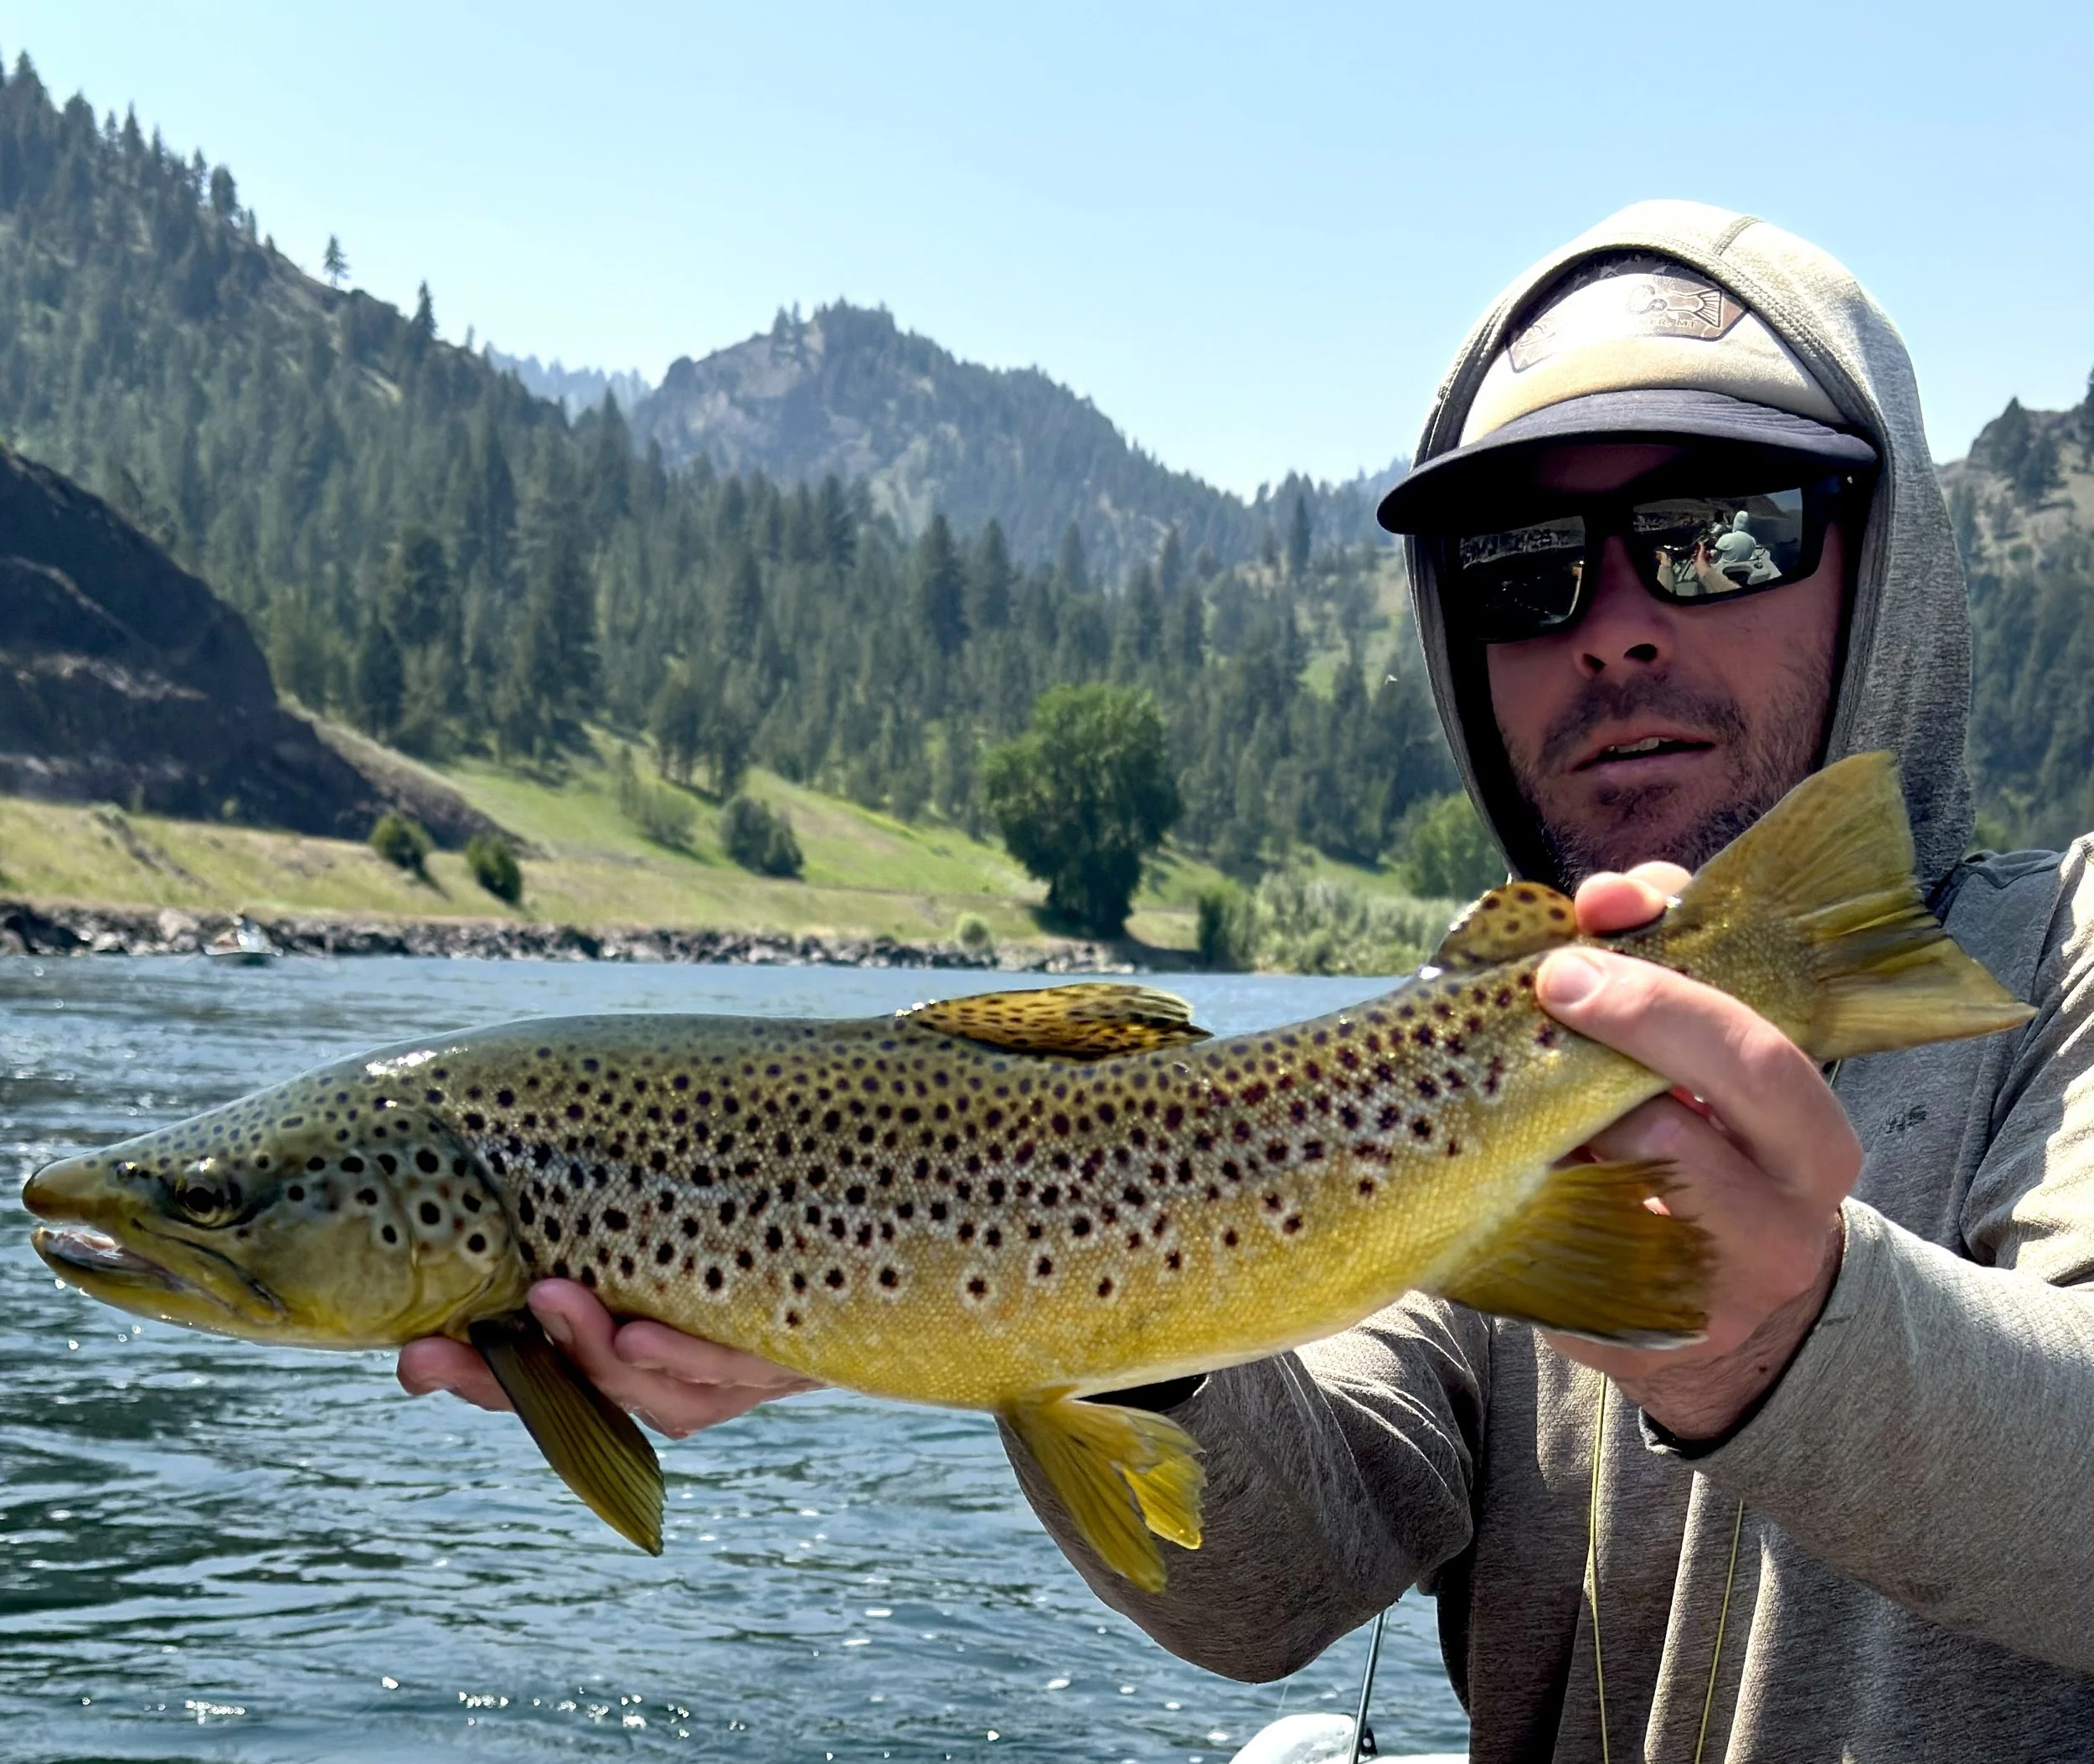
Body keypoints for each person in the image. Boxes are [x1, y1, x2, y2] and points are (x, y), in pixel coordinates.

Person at [399, 204, 2094, 1758]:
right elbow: (1273, 1581)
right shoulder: (1474, 1059)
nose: (1613, 625)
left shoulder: (2067, 955)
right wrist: (981, 1290)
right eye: (1522, 568)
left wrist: (1784, 1337)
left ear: (1886, 563)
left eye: (1719, 535)